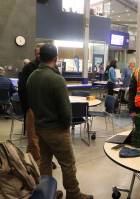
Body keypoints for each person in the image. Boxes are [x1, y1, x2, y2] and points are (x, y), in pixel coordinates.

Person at [27, 44, 93, 199]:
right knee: (68, 164)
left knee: (45, 162)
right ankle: (73, 194)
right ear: (56, 59)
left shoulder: (32, 77)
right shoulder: (57, 79)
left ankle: (47, 192)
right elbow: (65, 110)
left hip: (40, 128)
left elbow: (32, 105)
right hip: (56, 130)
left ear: (39, 57)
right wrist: (65, 126)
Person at [18, 46, 41, 163]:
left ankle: (39, 161)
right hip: (32, 108)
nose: (39, 55)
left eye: (41, 53)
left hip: (46, 110)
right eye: (37, 53)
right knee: (33, 139)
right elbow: (22, 89)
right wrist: (27, 108)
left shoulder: (52, 67)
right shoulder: (28, 68)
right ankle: (34, 164)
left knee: (42, 139)